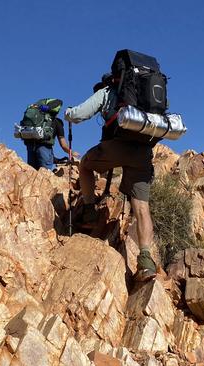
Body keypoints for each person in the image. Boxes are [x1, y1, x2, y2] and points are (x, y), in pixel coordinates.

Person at [64, 74, 158, 281]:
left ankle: (89, 211)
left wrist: (68, 113)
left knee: (85, 165)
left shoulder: (106, 92)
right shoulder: (144, 96)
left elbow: (79, 114)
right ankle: (146, 261)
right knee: (142, 207)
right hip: (143, 151)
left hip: (117, 146)